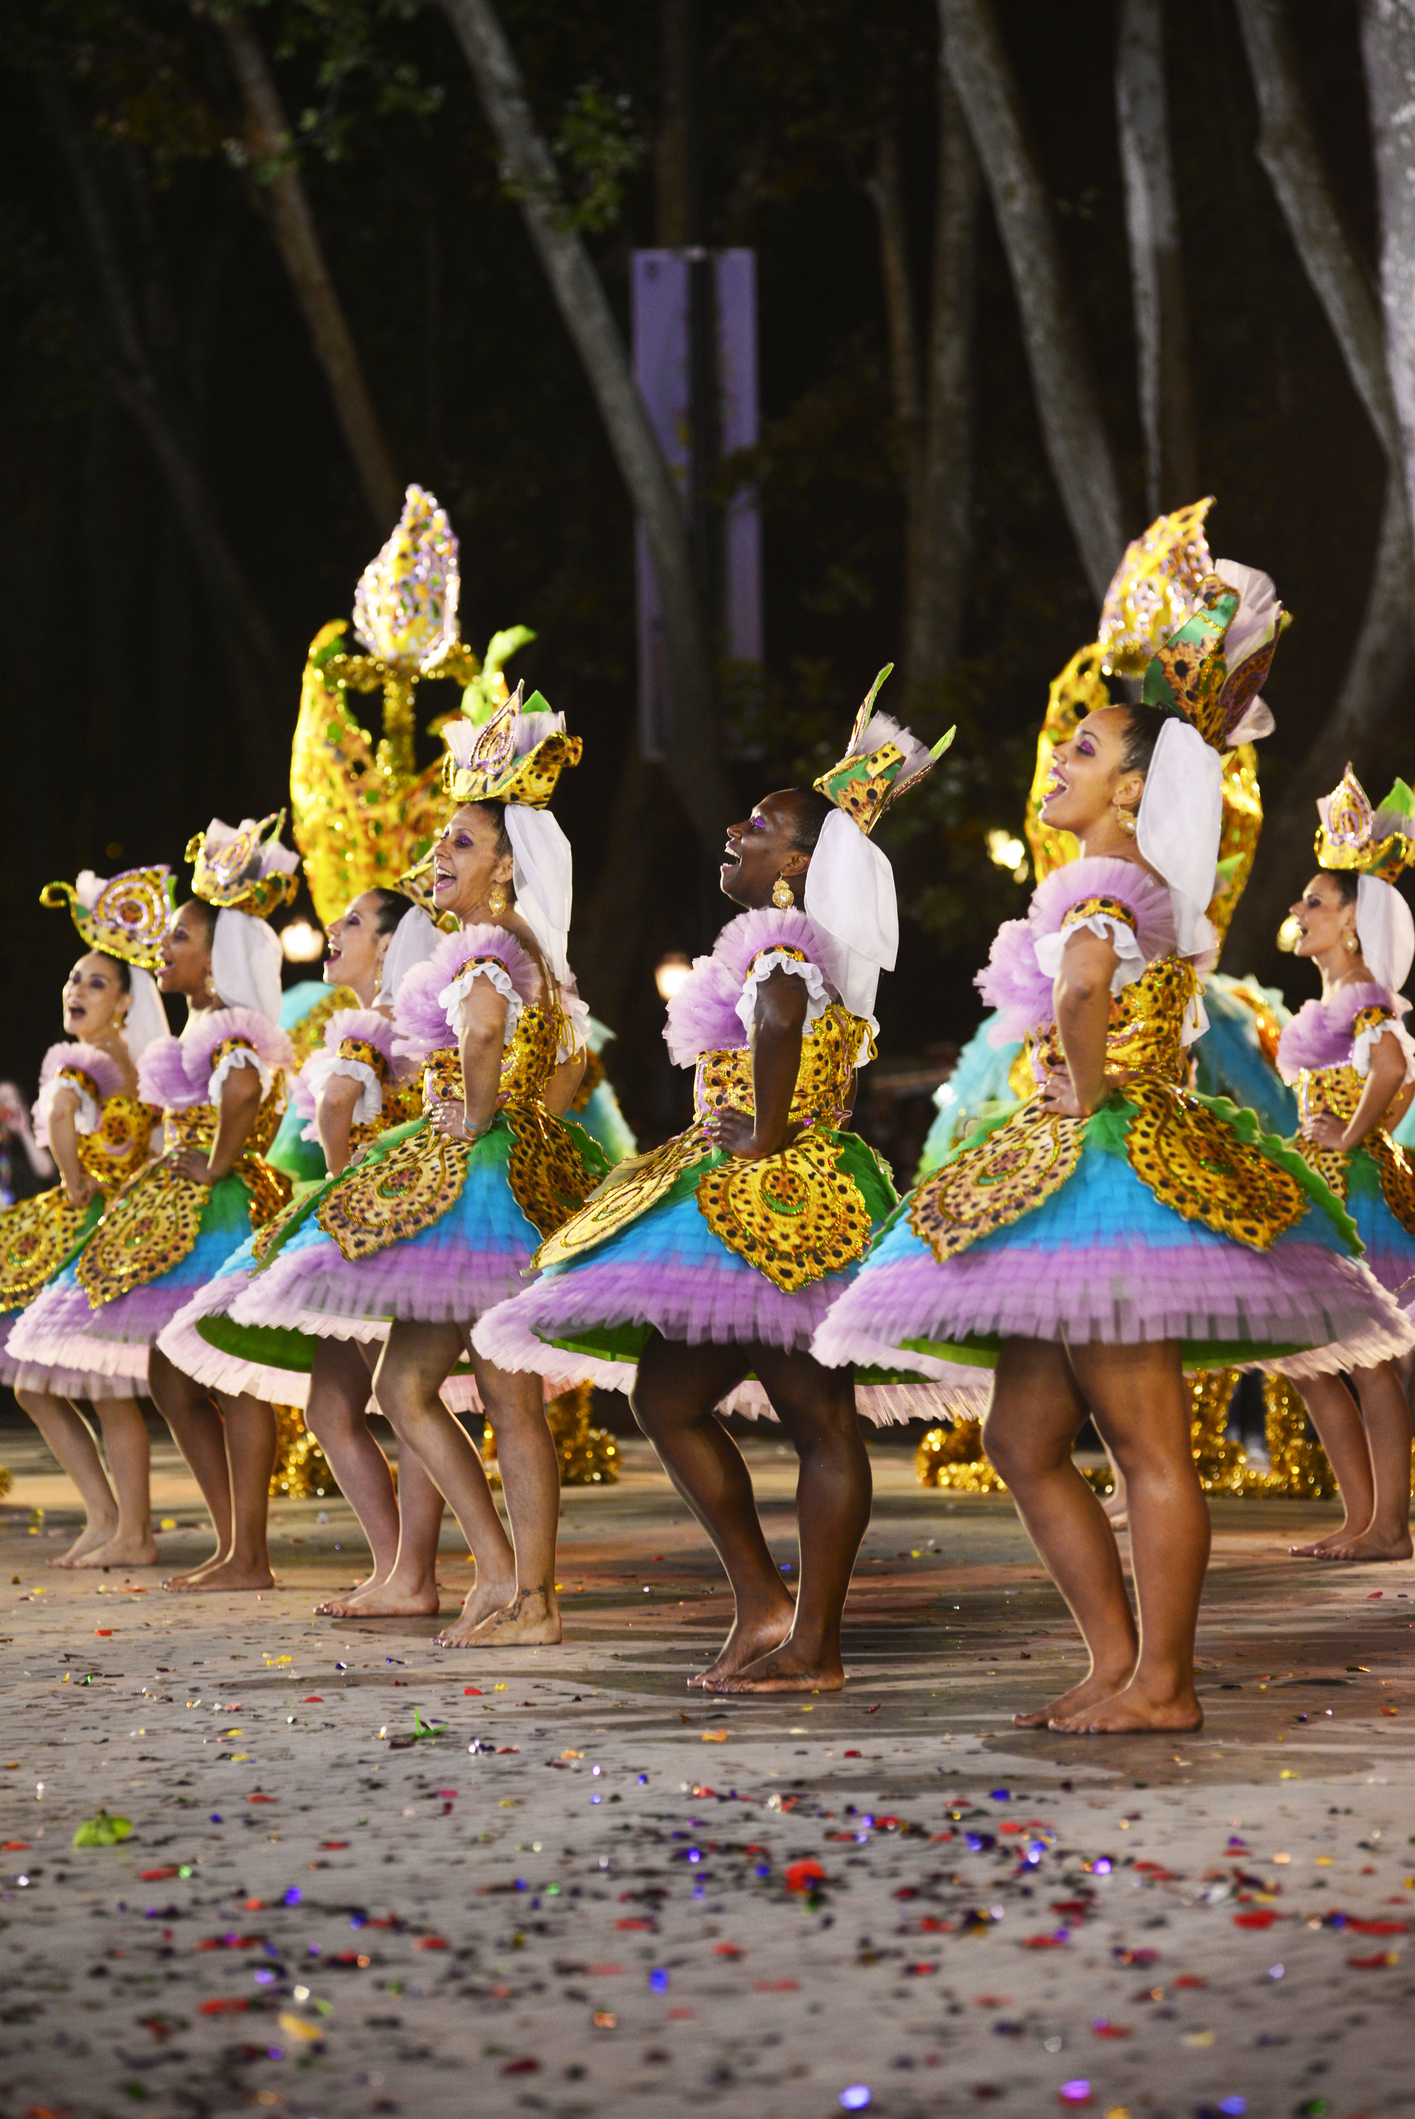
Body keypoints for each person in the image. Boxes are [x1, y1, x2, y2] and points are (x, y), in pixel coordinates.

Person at [813, 572, 1415, 1734]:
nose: (1056, 762)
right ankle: (1115, 1661)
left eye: (1080, 749)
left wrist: (1079, 1087)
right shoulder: (1108, 884)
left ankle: (1163, 1683)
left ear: (1131, 786)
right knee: (1023, 1435)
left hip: (1111, 1172)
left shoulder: (1106, 882)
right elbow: (1087, 994)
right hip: (1087, 1159)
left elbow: (1085, 986)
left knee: (1139, 1436)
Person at [476, 672, 950, 1693]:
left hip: (780, 1193)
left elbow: (779, 1022)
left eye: (761, 825)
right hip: (757, 1190)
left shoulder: (786, 939)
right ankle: (768, 1607)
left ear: (799, 864)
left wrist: (762, 1133)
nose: (735, 831)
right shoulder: (777, 941)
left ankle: (810, 1642)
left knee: (813, 1417)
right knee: (671, 1394)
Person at [220, 688, 609, 1643]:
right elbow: (573, 1061)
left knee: (496, 1393)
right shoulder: (530, 949)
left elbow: (483, 1031)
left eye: (461, 844)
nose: (440, 855)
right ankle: (500, 1578)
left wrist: (476, 1117)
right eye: (441, 842)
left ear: (507, 864)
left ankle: (530, 1596)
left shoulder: (487, 943)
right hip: (497, 1173)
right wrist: (520, 1121)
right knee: (408, 1386)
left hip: (479, 1180)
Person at [9, 816, 299, 1593]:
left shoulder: (227, 1020)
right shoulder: (203, 1019)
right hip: (180, 1201)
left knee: (226, 1376)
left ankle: (249, 1554)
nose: (163, 950)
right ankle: (233, 1545)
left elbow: (241, 1085)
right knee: (172, 1378)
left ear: (216, 952)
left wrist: (219, 1160)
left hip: (219, 1208)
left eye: (179, 940)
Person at [158, 884, 447, 1614]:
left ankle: (409, 1573)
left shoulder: (374, 1027)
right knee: (338, 1402)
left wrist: (346, 1181)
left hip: (375, 1225)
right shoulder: (402, 1021)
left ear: (388, 944)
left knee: (393, 1398)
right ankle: (397, 1568)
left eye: (352, 922)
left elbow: (335, 1103)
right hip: (396, 1219)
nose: (332, 929)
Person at [0, 865, 172, 1564]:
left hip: (97, 1230)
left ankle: (130, 1530)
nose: (77, 989)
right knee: (40, 1380)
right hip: (117, 1228)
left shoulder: (85, 1060)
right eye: (74, 978)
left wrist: (73, 1181)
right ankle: (109, 1518)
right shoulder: (130, 1060)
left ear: (126, 1002)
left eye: (96, 982)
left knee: (97, 1387)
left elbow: (64, 1117)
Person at [1275, 767, 1415, 1562]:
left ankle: (1387, 1525)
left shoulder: (1362, 990)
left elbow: (1391, 1064)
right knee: (1311, 1361)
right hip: (1320, 1191)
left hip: (1351, 1191)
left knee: (1367, 1362)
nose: (1297, 911)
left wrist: (1352, 1132)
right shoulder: (1335, 995)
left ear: (1353, 921)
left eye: (1314, 902)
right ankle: (1362, 1519)